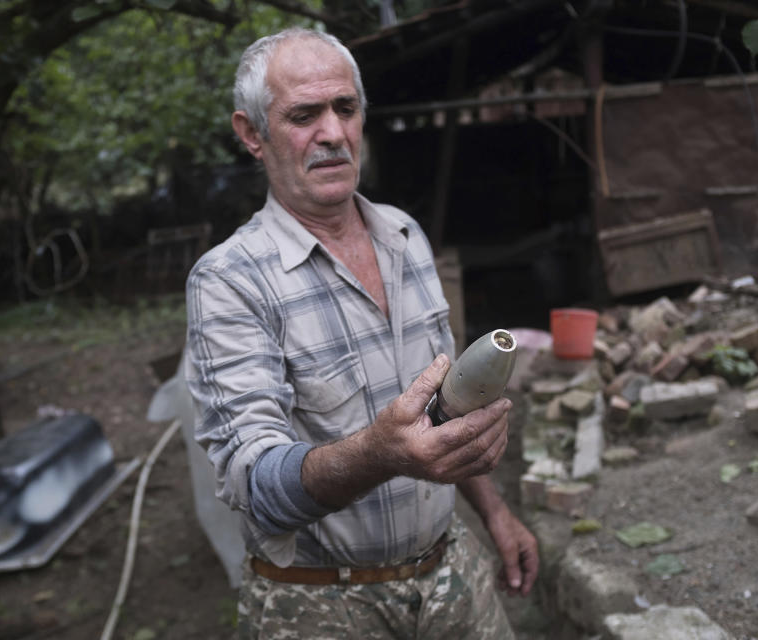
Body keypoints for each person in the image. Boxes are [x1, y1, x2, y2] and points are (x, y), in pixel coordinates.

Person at [185, 26, 538, 639]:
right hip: (323, 604)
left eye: (345, 108)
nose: (333, 133)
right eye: (303, 115)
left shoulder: (404, 235)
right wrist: (377, 454)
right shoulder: (229, 280)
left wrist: (497, 512)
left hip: (451, 574)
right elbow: (253, 483)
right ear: (251, 134)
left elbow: (448, 407)